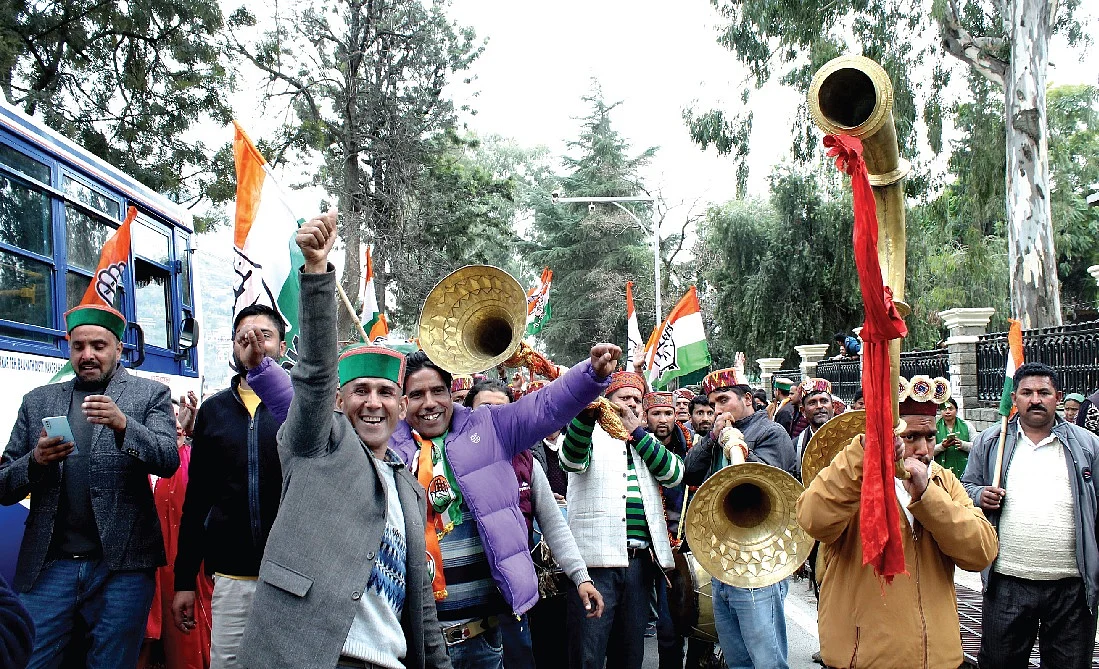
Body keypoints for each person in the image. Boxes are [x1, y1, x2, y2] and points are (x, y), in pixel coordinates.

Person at [237, 211, 450, 669]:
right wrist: (316, 271)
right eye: (361, 391)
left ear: (401, 407)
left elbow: (421, 604)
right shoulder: (316, 444)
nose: (373, 403)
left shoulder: (409, 487)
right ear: (338, 400)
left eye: (386, 393)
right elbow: (312, 374)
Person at [388, 343, 619, 668]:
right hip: (416, 645)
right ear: (401, 401)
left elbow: (545, 407)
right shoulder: (383, 447)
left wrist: (590, 375)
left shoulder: (490, 428)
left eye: (438, 391)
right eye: (416, 394)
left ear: (450, 391)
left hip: (484, 640)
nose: (429, 403)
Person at [0, 303, 180, 668]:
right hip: (51, 567)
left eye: (98, 346)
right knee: (29, 659)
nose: (88, 355)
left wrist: (124, 426)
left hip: (122, 569)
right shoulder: (38, 401)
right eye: (79, 346)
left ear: (118, 348)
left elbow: (167, 458)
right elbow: (3, 485)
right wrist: (35, 460)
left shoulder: (149, 396)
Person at [798, 375, 997, 668]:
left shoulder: (943, 482)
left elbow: (981, 552)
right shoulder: (853, 477)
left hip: (938, 659)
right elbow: (812, 518)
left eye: (929, 436)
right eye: (911, 437)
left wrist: (928, 497)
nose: (924, 450)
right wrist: (862, 457)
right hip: (862, 659)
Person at [171, 304, 291, 669]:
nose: (254, 343)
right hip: (232, 579)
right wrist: (184, 580)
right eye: (244, 338)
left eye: (265, 336)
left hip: (294, 578)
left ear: (283, 349)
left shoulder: (299, 408)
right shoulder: (214, 411)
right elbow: (197, 501)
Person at [962, 362, 1099, 669]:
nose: (1035, 399)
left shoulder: (1087, 445)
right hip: (1006, 582)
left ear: (1058, 397)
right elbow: (964, 488)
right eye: (1026, 392)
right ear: (1015, 399)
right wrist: (980, 494)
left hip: (1072, 589)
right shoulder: (991, 441)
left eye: (1043, 392)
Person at [461, 381, 604, 669]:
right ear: (467, 413)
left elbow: (554, 525)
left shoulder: (526, 461)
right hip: (465, 601)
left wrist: (581, 577)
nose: (491, 418)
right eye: (484, 409)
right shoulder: (452, 461)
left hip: (513, 595)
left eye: (500, 410)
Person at [559, 374, 684, 669]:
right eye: (622, 398)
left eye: (636, 400)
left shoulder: (647, 441)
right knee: (587, 653)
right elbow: (571, 460)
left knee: (629, 655)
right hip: (594, 566)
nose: (630, 404)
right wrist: (585, 418)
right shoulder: (587, 434)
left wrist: (637, 434)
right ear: (606, 402)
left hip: (639, 565)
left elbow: (674, 474)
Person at [683, 369, 796, 669]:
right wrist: (712, 438)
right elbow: (689, 472)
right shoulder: (714, 436)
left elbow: (767, 481)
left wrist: (737, 444)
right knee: (737, 659)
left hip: (759, 562)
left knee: (767, 659)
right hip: (724, 561)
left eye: (723, 400)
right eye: (712, 403)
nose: (717, 409)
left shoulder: (771, 433)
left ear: (747, 399)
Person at [793, 379, 835, 479]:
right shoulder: (796, 446)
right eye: (812, 403)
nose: (819, 406)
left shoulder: (850, 438)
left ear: (833, 407)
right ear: (803, 411)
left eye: (824, 401)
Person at [933, 397, 973, 480]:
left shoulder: (967, 426)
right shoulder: (934, 428)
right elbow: (928, 451)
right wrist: (942, 446)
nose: (947, 412)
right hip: (941, 473)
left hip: (965, 471)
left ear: (956, 410)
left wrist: (963, 444)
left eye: (950, 409)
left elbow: (977, 447)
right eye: (944, 409)